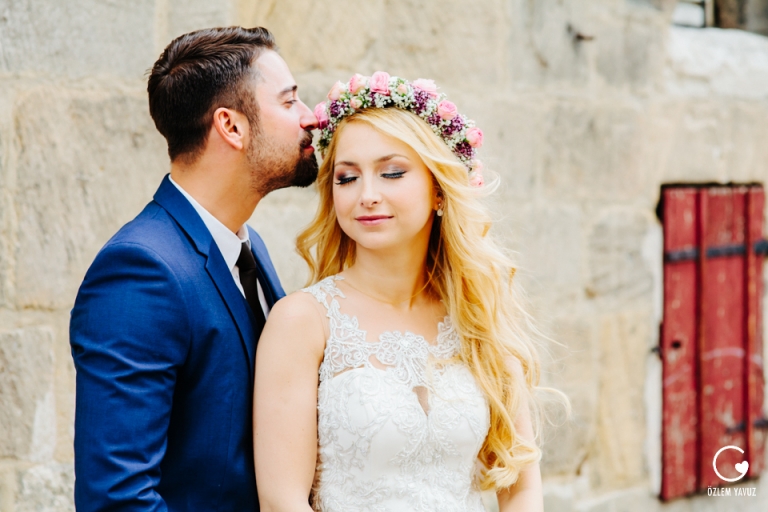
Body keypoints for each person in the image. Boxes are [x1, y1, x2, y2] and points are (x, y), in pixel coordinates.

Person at [254, 73, 545, 511]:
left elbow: (521, 487)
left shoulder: (478, 316)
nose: (367, 195)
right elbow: (282, 502)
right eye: (347, 178)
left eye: (391, 173)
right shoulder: (303, 321)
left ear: (439, 192)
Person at [70, 26, 318, 511]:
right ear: (231, 126)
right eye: (289, 103)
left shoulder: (249, 247)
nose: (309, 118)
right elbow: (117, 499)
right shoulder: (141, 270)